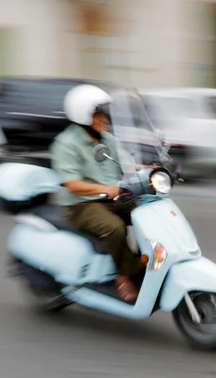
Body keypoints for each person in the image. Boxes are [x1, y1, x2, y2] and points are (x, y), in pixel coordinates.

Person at [50, 85, 145, 302]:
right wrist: (105, 189)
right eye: (100, 115)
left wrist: (150, 169)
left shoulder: (108, 140)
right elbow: (71, 183)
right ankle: (124, 275)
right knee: (115, 228)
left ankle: (147, 258)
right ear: (84, 115)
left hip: (113, 196)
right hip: (81, 204)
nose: (106, 120)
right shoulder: (66, 144)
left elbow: (128, 165)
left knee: (147, 211)